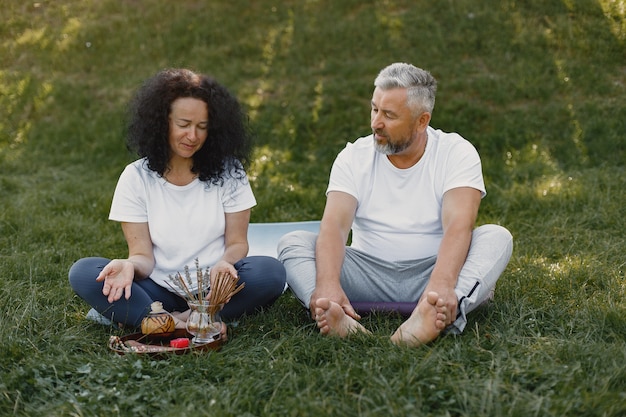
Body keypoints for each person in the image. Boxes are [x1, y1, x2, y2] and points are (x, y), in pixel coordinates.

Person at [277, 63, 513, 347]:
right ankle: (332, 306)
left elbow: (458, 226)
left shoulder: (456, 152)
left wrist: (440, 285)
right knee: (293, 242)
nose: (376, 122)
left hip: (432, 272)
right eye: (375, 109)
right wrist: (328, 282)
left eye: (389, 115)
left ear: (421, 121)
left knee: (497, 237)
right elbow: (334, 228)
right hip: (366, 275)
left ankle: (434, 309)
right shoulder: (353, 156)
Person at [69, 68, 286, 331]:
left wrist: (225, 264)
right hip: (159, 288)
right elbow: (142, 257)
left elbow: (238, 243)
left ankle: (159, 320)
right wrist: (127, 266)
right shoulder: (135, 177)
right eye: (183, 125)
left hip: (215, 291)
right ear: (162, 122)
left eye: (202, 127)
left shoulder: (231, 172)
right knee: (85, 272)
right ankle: (187, 321)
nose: (192, 136)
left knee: (270, 272)